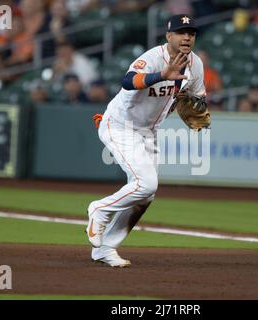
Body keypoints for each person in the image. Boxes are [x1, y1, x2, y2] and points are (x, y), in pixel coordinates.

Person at [86, 14, 206, 268]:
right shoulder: (152, 58)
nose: (187, 37)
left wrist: (197, 105)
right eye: (181, 32)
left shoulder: (196, 66)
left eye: (191, 33)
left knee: (145, 196)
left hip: (149, 131)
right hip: (120, 125)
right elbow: (128, 82)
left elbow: (196, 98)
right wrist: (161, 74)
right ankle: (100, 209)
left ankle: (105, 249)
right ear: (169, 36)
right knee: (146, 183)